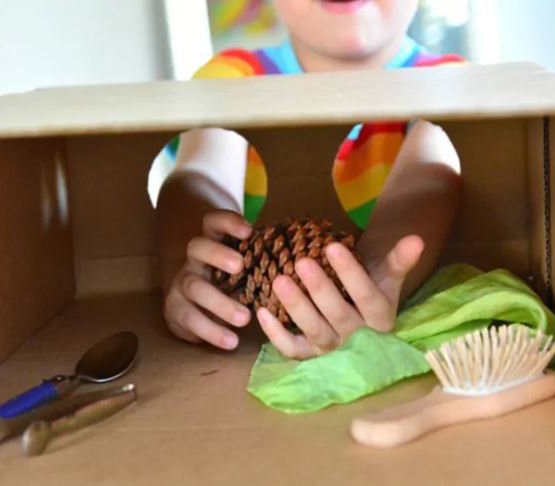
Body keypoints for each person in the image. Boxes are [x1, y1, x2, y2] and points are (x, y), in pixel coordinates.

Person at [155, 0, 464, 359]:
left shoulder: (451, 82)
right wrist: (184, 267)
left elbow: (431, 171)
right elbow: (202, 173)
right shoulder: (233, 77)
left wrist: (375, 269)